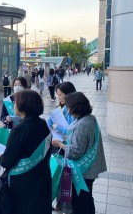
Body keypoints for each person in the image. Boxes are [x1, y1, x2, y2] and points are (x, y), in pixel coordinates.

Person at [52, 92, 107, 214]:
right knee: (87, 198)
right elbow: (83, 142)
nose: (67, 109)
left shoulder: (82, 124)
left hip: (83, 170)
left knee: (80, 201)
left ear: (74, 107)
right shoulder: (90, 118)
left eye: (68, 106)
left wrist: (60, 144)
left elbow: (75, 152)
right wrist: (67, 139)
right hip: (90, 168)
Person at [0, 90, 51, 214]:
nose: (14, 105)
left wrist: (0, 157)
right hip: (42, 177)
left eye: (15, 102)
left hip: (23, 182)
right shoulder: (43, 124)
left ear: (23, 106)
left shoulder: (20, 129)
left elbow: (7, 160)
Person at [46, 82, 77, 212]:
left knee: (67, 177)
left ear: (69, 94)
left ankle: (67, 206)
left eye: (60, 95)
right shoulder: (63, 108)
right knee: (58, 173)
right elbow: (50, 122)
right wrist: (51, 125)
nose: (58, 97)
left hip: (68, 148)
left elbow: (70, 130)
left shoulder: (74, 110)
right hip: (58, 146)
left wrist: (56, 127)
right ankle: (58, 202)